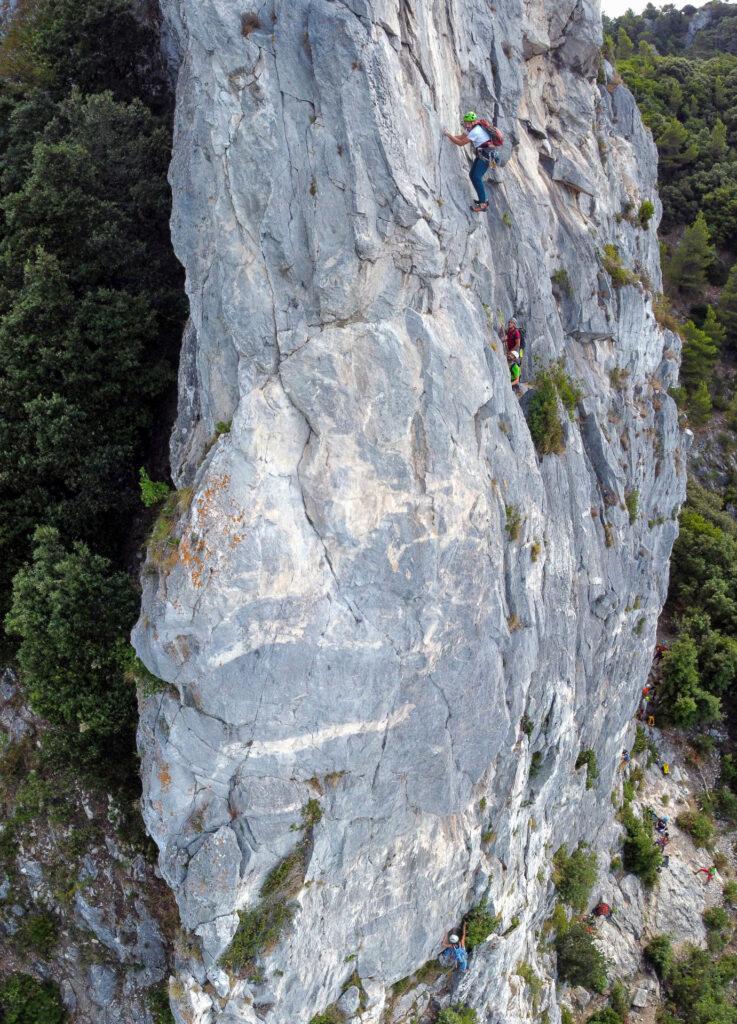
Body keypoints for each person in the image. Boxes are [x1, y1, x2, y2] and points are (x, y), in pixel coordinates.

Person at [444, 112, 503, 213]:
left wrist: (448, 135)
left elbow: (460, 143)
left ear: (473, 122)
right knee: (472, 175)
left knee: (476, 177)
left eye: (468, 123)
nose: (466, 125)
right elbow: (461, 137)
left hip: (487, 156)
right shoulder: (471, 129)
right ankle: (482, 200)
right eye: (465, 123)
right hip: (483, 154)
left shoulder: (475, 131)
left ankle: (483, 203)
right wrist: (449, 135)